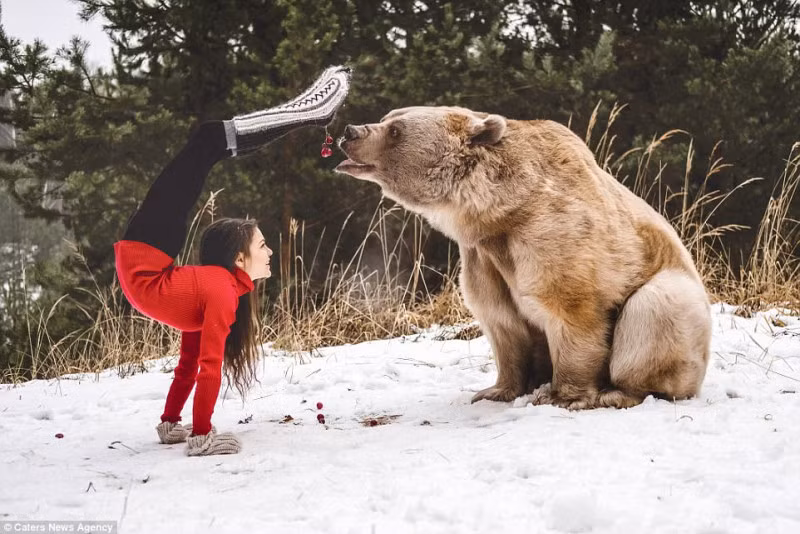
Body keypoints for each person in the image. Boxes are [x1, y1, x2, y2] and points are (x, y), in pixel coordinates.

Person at [114, 66, 351, 456]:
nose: (270, 252)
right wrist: (199, 433)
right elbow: (204, 366)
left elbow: (195, 364)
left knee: (209, 140)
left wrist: (179, 425)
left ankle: (309, 114)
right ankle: (308, 113)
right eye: (263, 246)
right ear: (239, 260)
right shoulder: (219, 290)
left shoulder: (216, 288)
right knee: (209, 139)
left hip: (144, 257)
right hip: (144, 257)